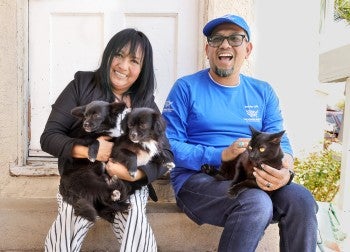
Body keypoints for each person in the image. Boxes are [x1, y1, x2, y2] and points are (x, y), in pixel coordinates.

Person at [162, 14, 318, 252]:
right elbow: (168, 145)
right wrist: (220, 155)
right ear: (208, 49)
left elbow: (281, 141)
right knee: (255, 202)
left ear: (248, 48)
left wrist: (285, 170)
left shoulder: (263, 92)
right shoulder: (186, 88)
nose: (225, 45)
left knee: (302, 201)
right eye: (217, 39)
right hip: (201, 180)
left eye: (235, 38)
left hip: (252, 177)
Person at [41, 28, 172, 252]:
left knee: (136, 229)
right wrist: (91, 151)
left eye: (134, 61)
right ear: (109, 55)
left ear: (142, 69)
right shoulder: (82, 84)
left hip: (125, 186)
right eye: (119, 55)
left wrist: (134, 174)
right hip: (83, 179)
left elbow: (166, 154)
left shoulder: (144, 103)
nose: (123, 66)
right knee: (63, 237)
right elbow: (49, 137)